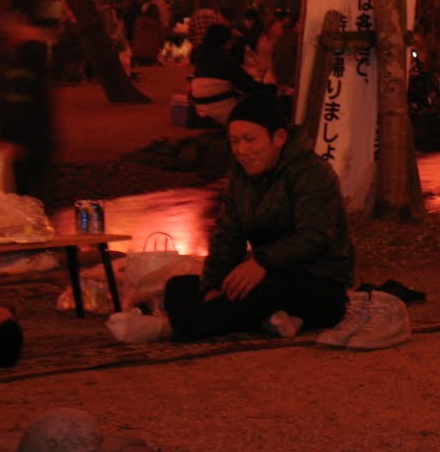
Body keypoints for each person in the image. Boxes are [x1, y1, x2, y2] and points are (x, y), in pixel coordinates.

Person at [106, 92, 354, 344]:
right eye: (235, 141)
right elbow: (228, 233)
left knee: (259, 292)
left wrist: (262, 262)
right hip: (265, 272)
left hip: (318, 280)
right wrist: (213, 285)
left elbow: (316, 236)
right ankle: (267, 321)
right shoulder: (241, 174)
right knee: (180, 287)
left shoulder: (311, 172)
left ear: (278, 138)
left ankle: (169, 329)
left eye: (250, 140)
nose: (242, 150)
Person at [0, 0, 61, 205]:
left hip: (27, 146)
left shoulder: (26, 55)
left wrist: (14, 138)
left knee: (29, 205)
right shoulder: (39, 52)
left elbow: (21, 101)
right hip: (36, 143)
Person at [189, 22, 265, 127]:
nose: (231, 44)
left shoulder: (201, 58)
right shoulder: (224, 60)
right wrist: (272, 89)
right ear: (224, 42)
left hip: (202, 110)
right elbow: (247, 85)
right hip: (222, 113)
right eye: (230, 41)